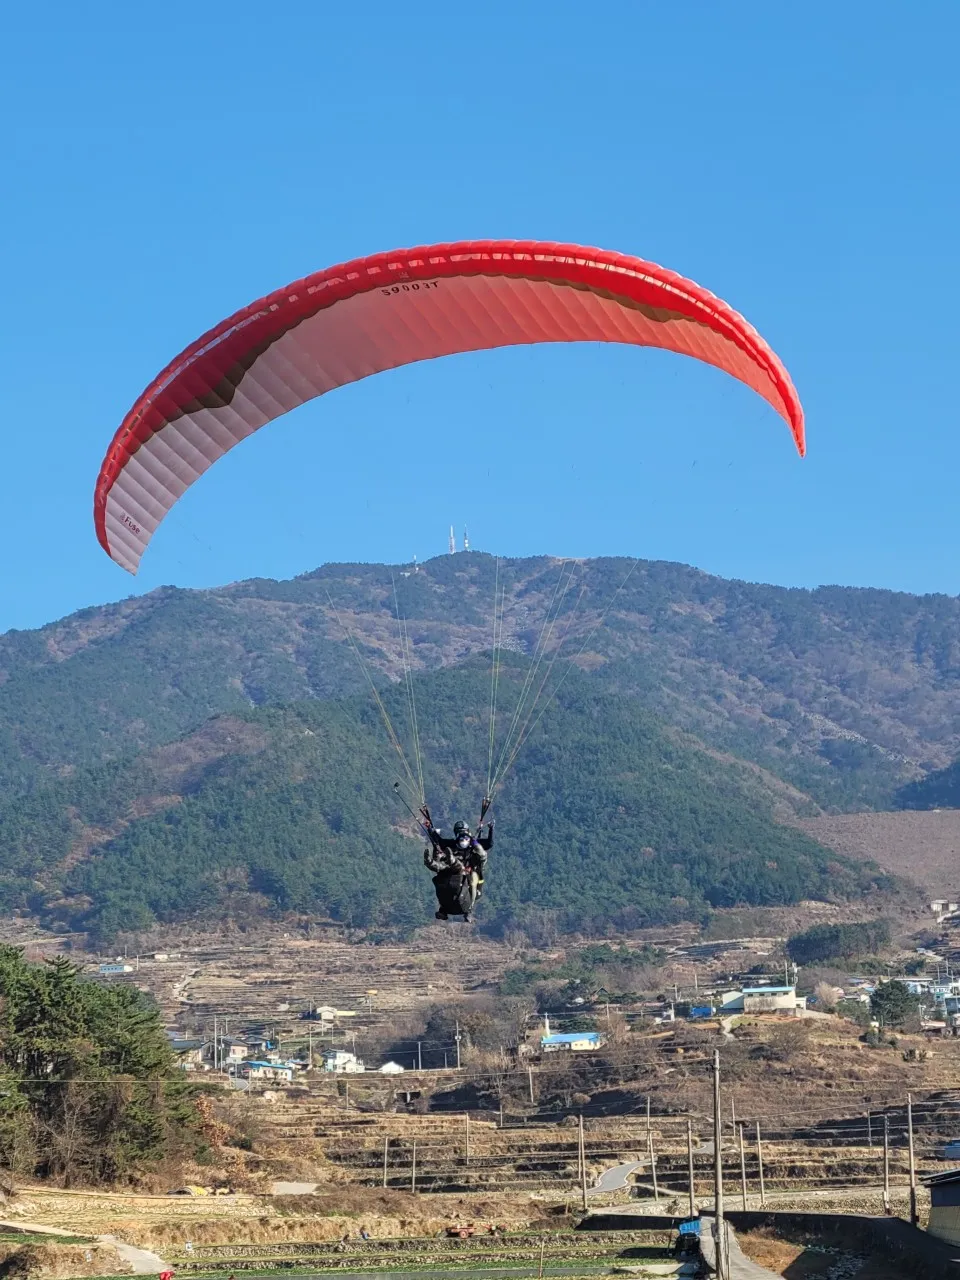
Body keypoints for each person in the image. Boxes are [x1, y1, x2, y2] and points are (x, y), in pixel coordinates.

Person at [423, 814, 493, 922]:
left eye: (464, 834)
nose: (463, 838)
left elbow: (489, 844)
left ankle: (469, 910)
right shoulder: (453, 843)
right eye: (459, 833)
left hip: (471, 873)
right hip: (455, 871)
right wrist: (430, 828)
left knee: (472, 881)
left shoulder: (473, 843)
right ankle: (443, 909)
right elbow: (439, 841)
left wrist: (491, 830)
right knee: (442, 876)